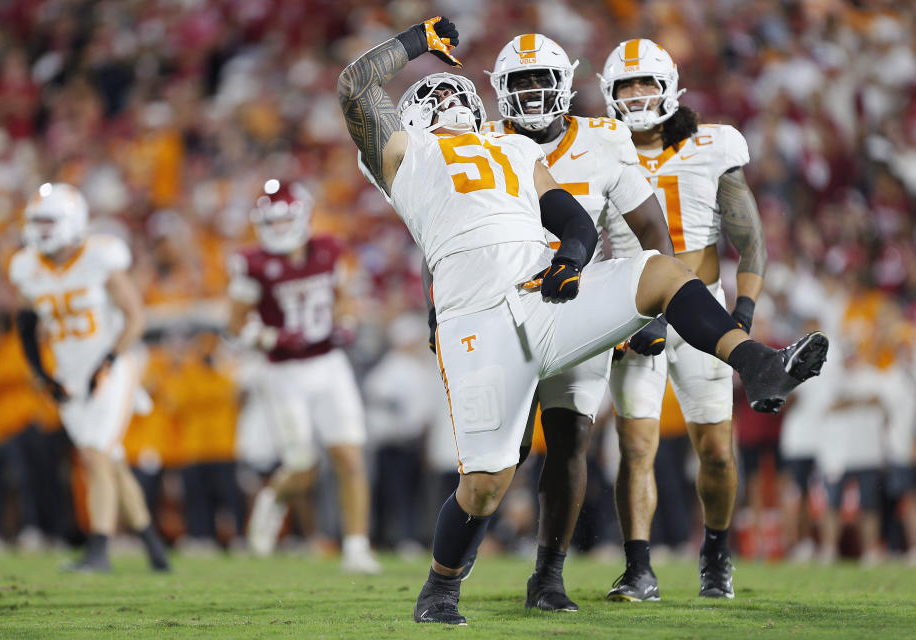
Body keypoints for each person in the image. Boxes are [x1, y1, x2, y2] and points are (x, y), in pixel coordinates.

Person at [337, 17, 827, 625]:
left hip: (545, 296)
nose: (445, 101)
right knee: (487, 482)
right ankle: (440, 588)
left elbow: (574, 222)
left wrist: (570, 262)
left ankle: (758, 364)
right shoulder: (402, 158)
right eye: (430, 97)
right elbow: (355, 84)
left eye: (452, 92)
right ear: (408, 120)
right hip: (478, 321)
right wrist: (417, 41)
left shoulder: (514, 147)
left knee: (659, 270)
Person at [471, 33, 672, 611]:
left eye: (542, 79)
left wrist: (648, 313)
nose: (533, 91)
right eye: (521, 80)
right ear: (501, 90)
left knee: (570, 441)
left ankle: (548, 576)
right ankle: (450, 570)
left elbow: (652, 233)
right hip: (501, 314)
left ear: (565, 83)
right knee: (495, 452)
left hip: (575, 310)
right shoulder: (480, 146)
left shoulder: (604, 142)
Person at [596, 38, 768, 600]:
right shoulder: (597, 148)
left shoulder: (714, 144)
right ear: (609, 93)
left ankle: (715, 552)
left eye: (646, 82)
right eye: (627, 85)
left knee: (716, 451)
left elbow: (751, 239)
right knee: (636, 446)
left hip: (703, 314)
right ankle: (638, 567)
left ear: (670, 86)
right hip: (632, 315)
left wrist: (740, 313)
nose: (638, 95)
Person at [9, 183, 169, 573]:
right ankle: (153, 547)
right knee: (109, 460)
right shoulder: (28, 266)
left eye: (49, 221)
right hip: (70, 372)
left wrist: (107, 361)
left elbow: (136, 319)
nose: (42, 230)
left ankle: (99, 551)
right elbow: (26, 324)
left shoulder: (100, 256)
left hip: (114, 364)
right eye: (36, 221)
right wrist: (41, 374)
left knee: (95, 455)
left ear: (72, 221)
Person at [227, 179, 379, 574]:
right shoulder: (252, 263)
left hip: (328, 364)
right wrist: (273, 336)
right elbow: (236, 323)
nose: (277, 230)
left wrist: (346, 321)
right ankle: (273, 499)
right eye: (270, 222)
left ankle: (357, 548)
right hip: (282, 371)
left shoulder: (329, 250)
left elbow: (345, 298)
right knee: (303, 464)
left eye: (284, 221)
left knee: (349, 455)